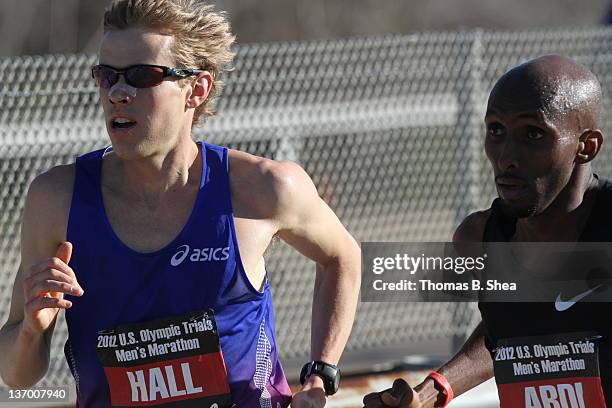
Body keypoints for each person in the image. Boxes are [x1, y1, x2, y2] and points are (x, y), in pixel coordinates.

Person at [0, 1, 361, 407]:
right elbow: (16, 374)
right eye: (107, 75)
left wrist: (319, 374)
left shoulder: (264, 187)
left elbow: (342, 257)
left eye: (142, 76)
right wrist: (32, 329)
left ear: (197, 89)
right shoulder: (56, 198)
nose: (118, 92)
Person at [363, 54, 611, 407]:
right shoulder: (478, 239)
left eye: (533, 134)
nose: (507, 155)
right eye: (496, 130)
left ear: (586, 147)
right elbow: (507, 333)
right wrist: (432, 392)